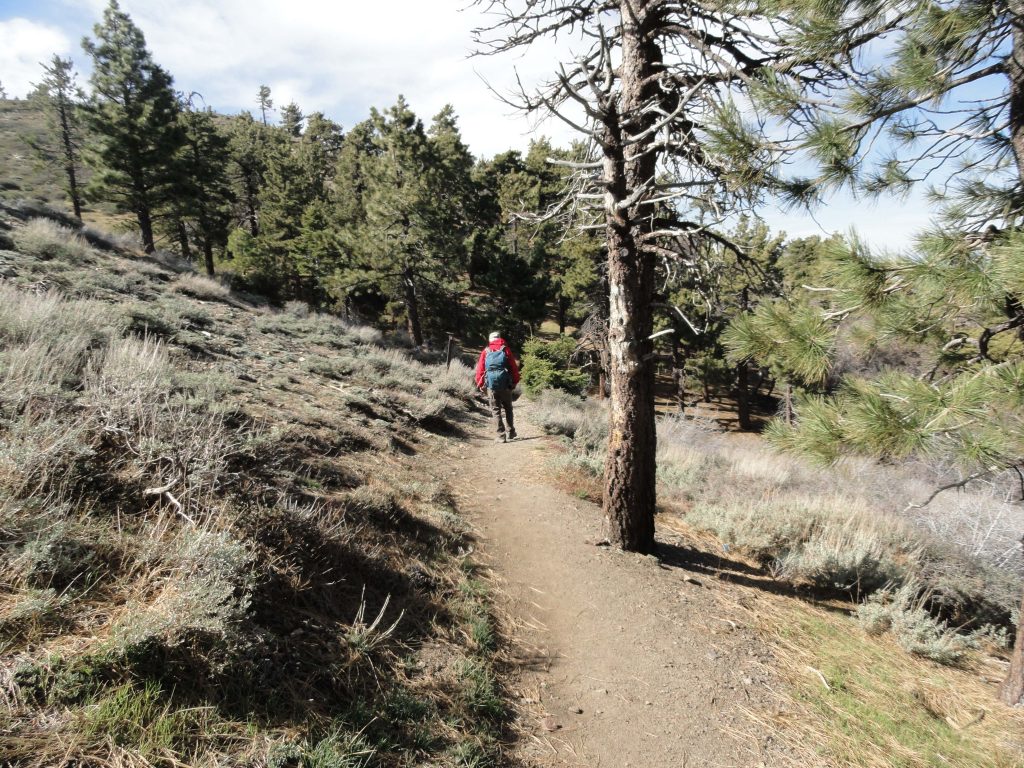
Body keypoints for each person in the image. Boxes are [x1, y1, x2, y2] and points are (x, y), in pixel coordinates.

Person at [474, 331, 520, 442]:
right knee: (508, 408)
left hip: (491, 385)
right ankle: (511, 432)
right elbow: (514, 368)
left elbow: (480, 369)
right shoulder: (506, 350)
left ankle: (501, 436)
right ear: (500, 338)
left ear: (490, 340)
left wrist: (480, 384)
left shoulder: (486, 351)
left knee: (496, 410)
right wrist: (514, 382)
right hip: (505, 385)